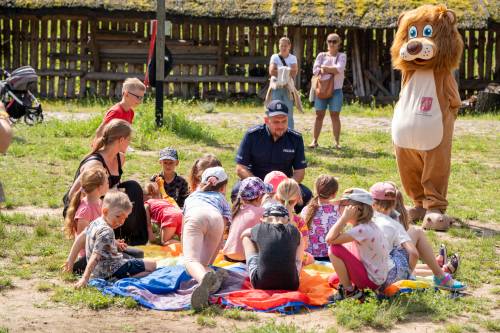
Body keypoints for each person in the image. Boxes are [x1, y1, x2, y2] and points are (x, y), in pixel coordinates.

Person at [63, 119, 149, 246]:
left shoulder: (120, 158)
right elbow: (72, 195)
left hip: (103, 201)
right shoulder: (95, 164)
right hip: (87, 207)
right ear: (121, 140)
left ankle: (135, 238)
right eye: (129, 140)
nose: (129, 144)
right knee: (122, 200)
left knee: (134, 187)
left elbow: (113, 186)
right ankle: (111, 236)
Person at [375, 182, 466, 291]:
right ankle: (441, 273)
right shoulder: (391, 224)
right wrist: (410, 276)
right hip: (386, 279)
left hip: (372, 277)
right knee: (417, 232)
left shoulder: (366, 223)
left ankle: (439, 268)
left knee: (397, 260)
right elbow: (413, 254)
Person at [62, 190, 157, 288]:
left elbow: (80, 239)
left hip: (100, 270)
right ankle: (120, 280)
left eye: (125, 218)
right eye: (118, 216)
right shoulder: (107, 231)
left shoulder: (95, 222)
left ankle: (120, 278)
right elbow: (95, 256)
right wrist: (85, 278)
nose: (121, 222)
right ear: (105, 211)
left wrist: (70, 262)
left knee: (138, 259)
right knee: (153, 265)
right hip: (113, 269)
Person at [234, 100, 312, 212]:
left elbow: (300, 172)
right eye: (276, 122)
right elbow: (240, 168)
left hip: (283, 185)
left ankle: (296, 226)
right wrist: (260, 187)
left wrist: (286, 188)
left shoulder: (295, 139)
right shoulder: (252, 135)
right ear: (267, 120)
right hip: (256, 182)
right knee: (237, 191)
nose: (280, 126)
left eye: (284, 121)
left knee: (307, 196)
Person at [325, 188, 389, 302]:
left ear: (357, 209)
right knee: (333, 279)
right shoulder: (368, 225)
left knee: (334, 249)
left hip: (371, 281)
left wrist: (344, 218)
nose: (338, 208)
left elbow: (329, 239)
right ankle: (357, 291)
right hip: (376, 279)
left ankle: (350, 292)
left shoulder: (362, 230)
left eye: (343, 205)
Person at [182, 166, 230, 311]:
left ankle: (204, 279)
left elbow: (184, 225)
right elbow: (222, 231)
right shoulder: (222, 199)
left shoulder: (192, 197)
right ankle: (212, 279)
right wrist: (212, 257)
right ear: (223, 188)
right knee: (203, 263)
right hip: (216, 219)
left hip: (196, 216)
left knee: (191, 261)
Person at [369, 182, 420, 289]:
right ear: (393, 204)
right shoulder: (395, 225)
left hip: (368, 277)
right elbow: (414, 254)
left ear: (372, 202)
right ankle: (439, 274)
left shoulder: (365, 221)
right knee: (400, 249)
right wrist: (408, 272)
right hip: (388, 280)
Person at [241, 202, 301, 290]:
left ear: (264, 219)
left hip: (260, 284)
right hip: (292, 285)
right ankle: (296, 274)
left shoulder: (259, 228)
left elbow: (243, 234)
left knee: (246, 238)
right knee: (300, 240)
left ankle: (258, 268)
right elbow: (298, 258)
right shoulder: (295, 231)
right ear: (287, 219)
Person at [309, 33, 347, 149]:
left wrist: (324, 68)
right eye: (329, 41)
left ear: (339, 43)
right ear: (327, 42)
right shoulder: (321, 55)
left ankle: (337, 142)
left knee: (335, 115)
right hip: (321, 89)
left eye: (334, 41)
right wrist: (330, 70)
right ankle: (314, 141)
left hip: (336, 90)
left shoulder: (342, 56)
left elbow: (339, 69)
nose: (331, 43)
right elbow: (315, 71)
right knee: (318, 115)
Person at [223, 177, 272, 262]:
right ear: (260, 196)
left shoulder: (237, 209)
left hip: (228, 255)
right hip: (245, 258)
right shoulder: (261, 212)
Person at [92, 78, 145, 147]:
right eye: (138, 97)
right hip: (107, 147)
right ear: (126, 94)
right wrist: (97, 148)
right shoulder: (116, 112)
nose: (140, 101)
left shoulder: (131, 112)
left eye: (142, 98)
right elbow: (100, 130)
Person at [301, 175, 340, 261]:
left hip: (308, 256)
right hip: (329, 255)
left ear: (315, 191)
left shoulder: (306, 210)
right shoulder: (337, 210)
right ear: (334, 194)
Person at [274, 179, 309, 267]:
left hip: (271, 258)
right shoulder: (299, 221)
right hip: (293, 262)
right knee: (310, 258)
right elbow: (305, 245)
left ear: (277, 197)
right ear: (297, 199)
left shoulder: (268, 217)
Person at [267, 37, 300, 129]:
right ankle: (273, 131)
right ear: (279, 46)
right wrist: (286, 71)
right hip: (276, 87)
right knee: (274, 111)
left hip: (288, 87)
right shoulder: (274, 57)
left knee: (288, 112)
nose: (283, 48)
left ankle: (290, 134)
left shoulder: (293, 58)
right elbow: (271, 71)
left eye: (285, 46)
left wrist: (280, 70)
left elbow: (294, 72)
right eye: (281, 46)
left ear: (289, 46)